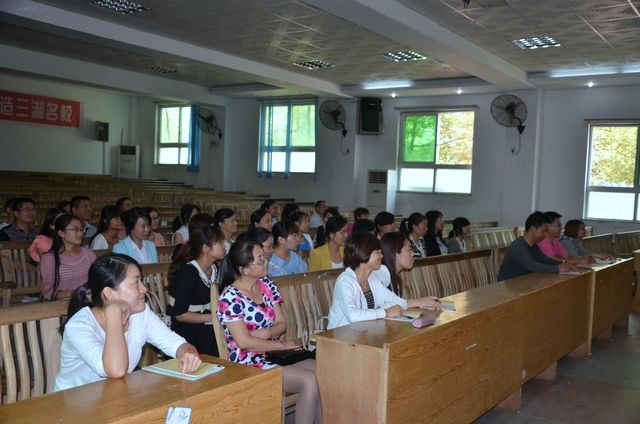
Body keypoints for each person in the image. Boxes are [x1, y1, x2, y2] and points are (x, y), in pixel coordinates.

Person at [54, 253, 201, 392]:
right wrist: (114, 313)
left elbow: (176, 343)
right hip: (76, 403)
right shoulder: (79, 326)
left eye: (141, 281)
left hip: (117, 396)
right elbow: (116, 370)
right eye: (135, 282)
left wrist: (188, 354)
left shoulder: (140, 314)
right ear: (109, 293)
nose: (144, 288)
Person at [217, 240, 322, 424]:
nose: (267, 262)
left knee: (325, 373)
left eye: (264, 257)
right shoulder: (230, 297)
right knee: (310, 380)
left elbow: (282, 323)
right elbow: (245, 343)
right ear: (244, 270)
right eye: (260, 261)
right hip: (248, 361)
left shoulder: (266, 284)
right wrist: (282, 345)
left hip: (274, 354)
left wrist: (267, 333)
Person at [327, 232, 441, 330]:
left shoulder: (372, 280)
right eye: (377, 251)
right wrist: (385, 312)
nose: (381, 255)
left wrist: (384, 309)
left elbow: (400, 302)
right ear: (363, 252)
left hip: (361, 333)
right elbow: (353, 315)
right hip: (338, 337)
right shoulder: (345, 281)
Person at [167, 226, 227, 357]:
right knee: (216, 334)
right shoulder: (188, 273)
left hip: (205, 321)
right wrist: (214, 318)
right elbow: (180, 315)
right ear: (206, 248)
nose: (224, 246)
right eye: (220, 242)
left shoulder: (214, 268)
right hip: (187, 327)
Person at [497, 211, 578, 281]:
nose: (545, 235)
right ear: (533, 229)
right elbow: (532, 266)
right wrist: (557, 268)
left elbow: (547, 261)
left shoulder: (534, 246)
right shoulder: (518, 246)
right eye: (543, 231)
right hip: (507, 287)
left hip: (523, 283)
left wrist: (565, 264)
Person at [41, 214, 97, 300]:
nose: (80, 233)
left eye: (81, 229)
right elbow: (49, 292)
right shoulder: (49, 258)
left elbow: (97, 281)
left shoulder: (88, 254)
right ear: (61, 233)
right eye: (75, 229)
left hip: (89, 300)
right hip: (64, 302)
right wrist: (74, 293)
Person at [377, 232, 443, 305]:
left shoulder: (396, 275)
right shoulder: (381, 272)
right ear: (395, 253)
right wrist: (417, 302)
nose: (413, 254)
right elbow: (382, 306)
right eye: (409, 250)